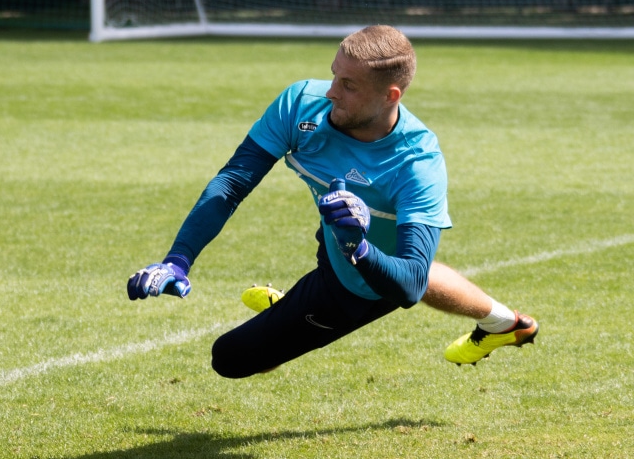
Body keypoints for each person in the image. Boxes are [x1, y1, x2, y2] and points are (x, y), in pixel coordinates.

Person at [127, 25, 537, 377]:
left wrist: (356, 245)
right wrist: (177, 259)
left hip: (365, 280)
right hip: (343, 235)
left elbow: (410, 284)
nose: (331, 92)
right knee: (409, 259)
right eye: (334, 76)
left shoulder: (417, 163)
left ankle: (288, 311)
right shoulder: (301, 104)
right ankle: (505, 324)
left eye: (349, 85)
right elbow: (233, 181)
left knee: (232, 358)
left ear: (391, 95)